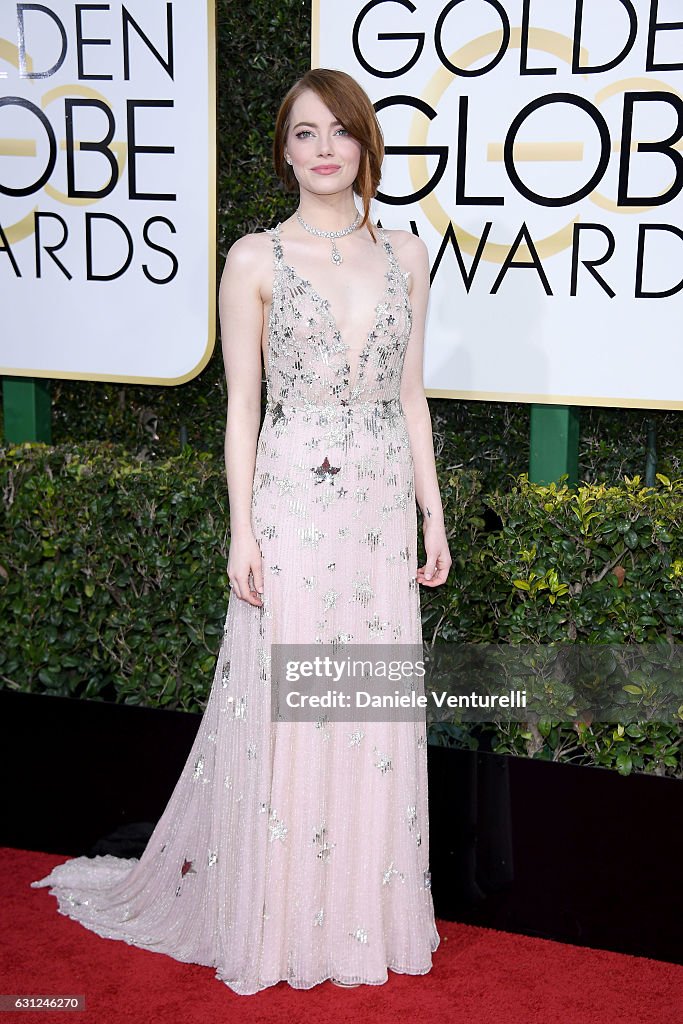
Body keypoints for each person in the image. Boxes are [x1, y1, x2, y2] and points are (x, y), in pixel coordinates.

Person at [31, 68, 452, 995]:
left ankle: (360, 912)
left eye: (339, 129)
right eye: (305, 133)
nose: (325, 148)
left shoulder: (410, 255)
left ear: (364, 142)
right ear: (285, 150)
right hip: (295, 504)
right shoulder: (253, 260)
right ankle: (279, 915)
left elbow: (412, 395)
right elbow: (240, 412)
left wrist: (432, 509)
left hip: (378, 507)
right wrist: (242, 532)